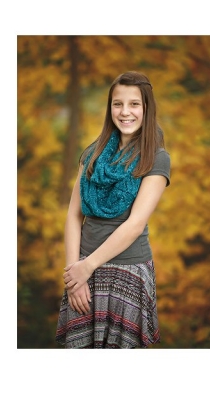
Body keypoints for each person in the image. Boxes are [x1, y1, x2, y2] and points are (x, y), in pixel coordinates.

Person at [55, 71, 171, 348]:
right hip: (83, 270)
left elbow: (133, 225)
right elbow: (74, 214)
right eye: (118, 104)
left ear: (146, 108)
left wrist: (87, 267)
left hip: (127, 271)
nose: (125, 112)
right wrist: (75, 276)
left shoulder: (156, 158)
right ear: (110, 108)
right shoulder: (92, 154)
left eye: (134, 104)